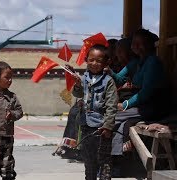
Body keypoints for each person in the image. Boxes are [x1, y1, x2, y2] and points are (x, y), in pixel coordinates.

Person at [110, 28, 170, 153]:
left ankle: (114, 157)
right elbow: (119, 79)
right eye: (134, 43)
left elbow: (146, 92)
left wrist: (125, 105)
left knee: (111, 117)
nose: (135, 46)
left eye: (140, 43)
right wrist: (106, 70)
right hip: (141, 106)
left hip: (153, 106)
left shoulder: (153, 62)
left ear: (149, 44)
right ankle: (115, 157)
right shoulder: (136, 62)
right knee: (114, 119)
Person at [71, 44, 118, 180]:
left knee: (103, 161)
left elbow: (111, 106)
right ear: (86, 60)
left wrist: (108, 126)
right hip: (86, 126)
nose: (94, 63)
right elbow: (77, 93)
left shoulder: (108, 81)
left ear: (105, 63)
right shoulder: (83, 78)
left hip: (102, 128)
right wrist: (78, 85)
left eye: (98, 61)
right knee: (89, 159)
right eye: (91, 60)